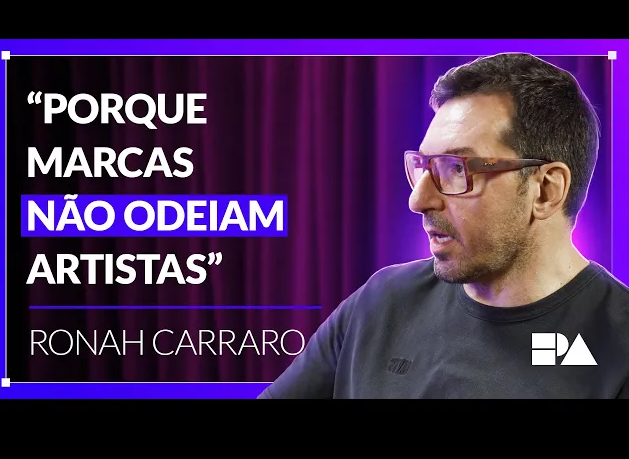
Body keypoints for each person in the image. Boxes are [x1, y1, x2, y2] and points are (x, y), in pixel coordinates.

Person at [258, 53, 629, 399]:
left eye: (455, 169)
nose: (419, 200)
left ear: (546, 190)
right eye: (423, 166)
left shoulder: (618, 346)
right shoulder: (381, 303)